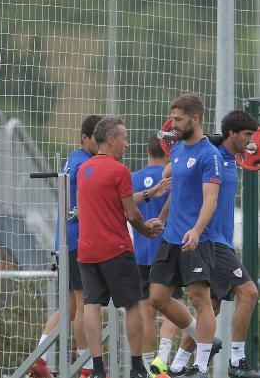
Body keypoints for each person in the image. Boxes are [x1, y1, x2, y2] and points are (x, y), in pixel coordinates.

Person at [164, 110, 260, 378]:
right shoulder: (213, 155)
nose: (250, 141)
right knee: (249, 293)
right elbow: (172, 169)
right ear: (231, 133)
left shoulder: (230, 157)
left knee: (212, 306)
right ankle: (237, 362)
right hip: (211, 242)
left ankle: (177, 365)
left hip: (223, 242)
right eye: (246, 135)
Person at [77, 116, 163, 378]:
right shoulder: (119, 171)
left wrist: (149, 194)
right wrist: (146, 231)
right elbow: (131, 213)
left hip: (87, 250)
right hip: (116, 248)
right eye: (124, 138)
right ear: (112, 139)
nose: (126, 143)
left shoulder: (84, 170)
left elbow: (101, 205)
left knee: (91, 305)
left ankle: (98, 369)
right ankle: (137, 367)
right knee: (134, 305)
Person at [149, 93, 222, 378]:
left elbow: (211, 200)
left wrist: (197, 230)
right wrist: (162, 217)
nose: (173, 125)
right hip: (171, 238)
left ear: (195, 118)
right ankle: (205, 338)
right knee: (157, 298)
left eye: (178, 120)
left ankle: (201, 365)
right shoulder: (177, 151)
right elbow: (175, 188)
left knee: (200, 299)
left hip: (198, 239)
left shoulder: (209, 155)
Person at [28, 114, 102, 378]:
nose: (103, 143)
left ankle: (40, 357)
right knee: (84, 306)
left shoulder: (73, 158)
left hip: (66, 241)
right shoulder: (86, 165)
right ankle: (87, 368)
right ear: (85, 138)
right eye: (98, 138)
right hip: (78, 242)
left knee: (70, 306)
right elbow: (85, 204)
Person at [131, 135, 180, 375]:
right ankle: (162, 357)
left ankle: (149, 369)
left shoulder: (133, 178)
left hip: (141, 255)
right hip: (168, 251)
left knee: (145, 314)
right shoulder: (173, 176)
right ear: (168, 152)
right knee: (173, 306)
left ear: (146, 151)